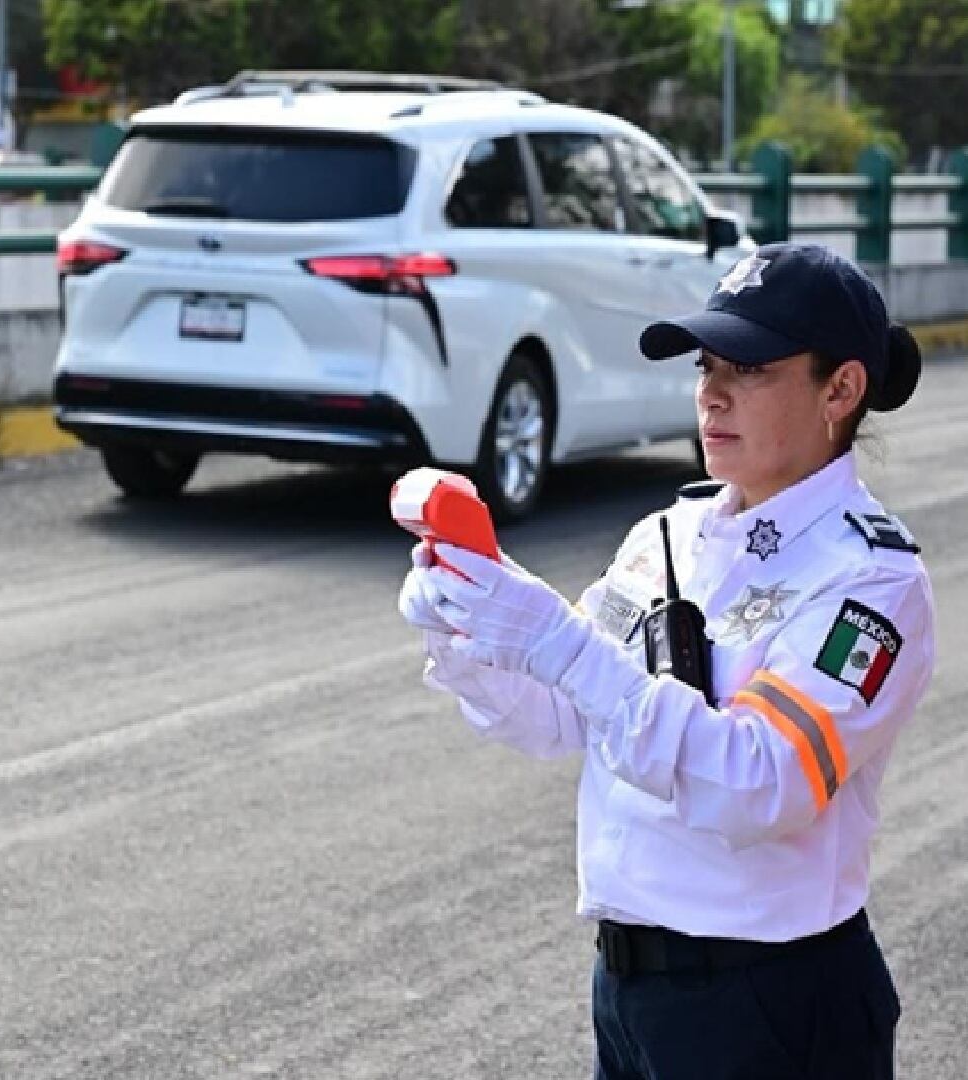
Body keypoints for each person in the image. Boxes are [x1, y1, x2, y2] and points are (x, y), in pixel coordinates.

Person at [399, 242, 934, 1080]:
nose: (712, 393)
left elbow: (762, 784)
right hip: (631, 989)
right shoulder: (666, 537)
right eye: (707, 364)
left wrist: (556, 641)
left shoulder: (869, 580)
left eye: (750, 368)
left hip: (771, 1001)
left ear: (841, 389)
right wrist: (470, 629)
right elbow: (560, 716)